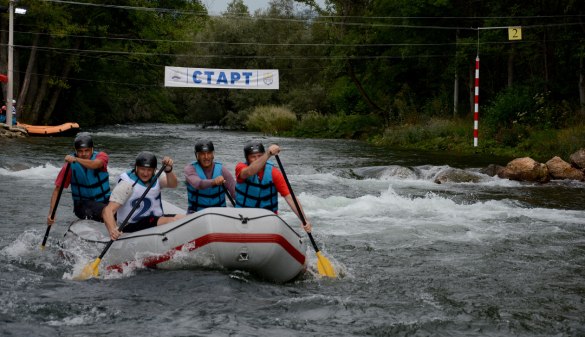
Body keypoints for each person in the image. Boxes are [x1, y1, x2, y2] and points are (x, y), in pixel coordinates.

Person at [102, 151, 185, 240]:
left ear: (154, 170)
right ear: (136, 168)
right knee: (171, 221)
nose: (145, 173)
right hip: (131, 226)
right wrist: (113, 230)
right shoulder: (126, 184)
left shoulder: (155, 178)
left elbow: (173, 184)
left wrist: (168, 170)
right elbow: (108, 210)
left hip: (153, 220)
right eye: (142, 169)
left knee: (183, 218)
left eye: (149, 170)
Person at [235, 141, 312, 233]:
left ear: (263, 156)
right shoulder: (241, 168)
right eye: (253, 157)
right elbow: (249, 172)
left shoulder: (273, 173)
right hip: (244, 217)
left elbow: (289, 197)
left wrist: (304, 219)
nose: (257, 159)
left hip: (267, 219)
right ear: (247, 158)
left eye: (260, 156)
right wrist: (268, 153)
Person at [47, 132, 110, 225]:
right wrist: (52, 213)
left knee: (120, 208)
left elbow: (95, 164)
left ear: (92, 149)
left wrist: (76, 159)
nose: (84, 154)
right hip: (83, 205)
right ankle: (114, 233)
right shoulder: (69, 167)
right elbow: (57, 190)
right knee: (108, 211)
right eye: (80, 151)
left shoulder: (102, 156)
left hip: (105, 200)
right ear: (76, 151)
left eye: (87, 150)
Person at [184, 139, 236, 213]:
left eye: (209, 153)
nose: (206, 157)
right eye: (202, 154)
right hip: (196, 213)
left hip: (219, 214)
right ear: (197, 155)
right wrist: (214, 182)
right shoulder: (190, 169)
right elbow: (198, 184)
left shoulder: (222, 170)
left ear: (213, 154)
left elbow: (235, 194)